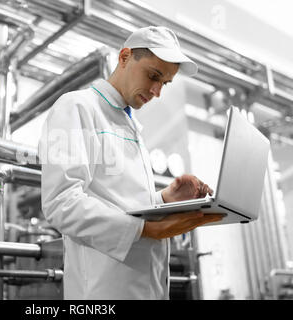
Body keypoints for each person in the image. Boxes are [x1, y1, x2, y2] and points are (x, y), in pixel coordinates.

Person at [38, 26, 223, 300]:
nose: (157, 91)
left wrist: (164, 198)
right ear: (124, 57)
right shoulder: (76, 107)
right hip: (101, 292)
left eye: (165, 83)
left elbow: (119, 200)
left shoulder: (130, 125)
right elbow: (61, 202)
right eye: (153, 76)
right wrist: (147, 229)